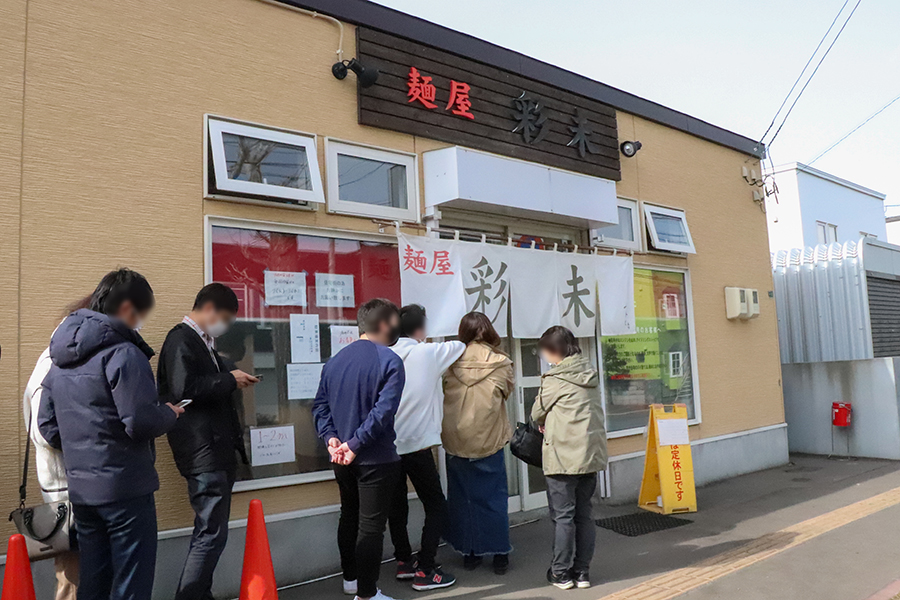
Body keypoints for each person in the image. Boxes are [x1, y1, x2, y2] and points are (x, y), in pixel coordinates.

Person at [38, 268, 184, 600]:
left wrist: (84, 447)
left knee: (94, 579)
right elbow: (140, 421)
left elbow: (46, 424)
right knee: (131, 581)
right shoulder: (124, 353)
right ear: (128, 308)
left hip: (83, 492)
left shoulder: (59, 359)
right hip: (126, 489)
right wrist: (169, 413)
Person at [158, 283, 259, 600]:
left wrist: (230, 373)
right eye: (225, 318)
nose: (225, 326)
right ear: (210, 309)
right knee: (210, 533)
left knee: (211, 532)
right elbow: (182, 389)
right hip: (203, 451)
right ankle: (190, 596)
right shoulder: (181, 339)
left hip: (213, 449)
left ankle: (200, 594)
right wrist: (229, 379)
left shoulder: (203, 343)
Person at [313, 299, 406, 600]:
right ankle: (367, 595)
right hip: (375, 458)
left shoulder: (335, 361)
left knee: (349, 516)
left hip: (341, 457)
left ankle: (351, 581)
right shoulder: (390, 360)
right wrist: (355, 444)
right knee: (370, 528)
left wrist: (332, 439)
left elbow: (320, 406)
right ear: (383, 325)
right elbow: (383, 412)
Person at [388, 305, 465, 590]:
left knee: (396, 507)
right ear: (420, 329)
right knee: (435, 505)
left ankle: (404, 562)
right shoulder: (428, 353)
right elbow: (461, 344)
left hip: (388, 446)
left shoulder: (386, 354)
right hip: (418, 445)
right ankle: (427, 568)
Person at [22, 296, 91, 600]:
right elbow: (44, 431)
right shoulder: (53, 363)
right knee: (71, 577)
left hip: (77, 484)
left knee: (80, 572)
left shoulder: (65, 359)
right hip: (65, 489)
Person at [531, 326, 607, 590]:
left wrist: (544, 421)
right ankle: (582, 572)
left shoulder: (555, 379)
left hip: (562, 457)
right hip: (590, 455)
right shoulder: (590, 373)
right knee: (584, 514)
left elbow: (536, 412)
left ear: (554, 350)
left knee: (564, 517)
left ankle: (561, 574)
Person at [441, 312, 515, 575]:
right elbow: (507, 392)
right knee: (493, 499)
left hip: (455, 442)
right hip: (489, 440)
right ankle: (499, 555)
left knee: (462, 500)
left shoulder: (449, 362)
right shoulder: (501, 362)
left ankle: (469, 554)